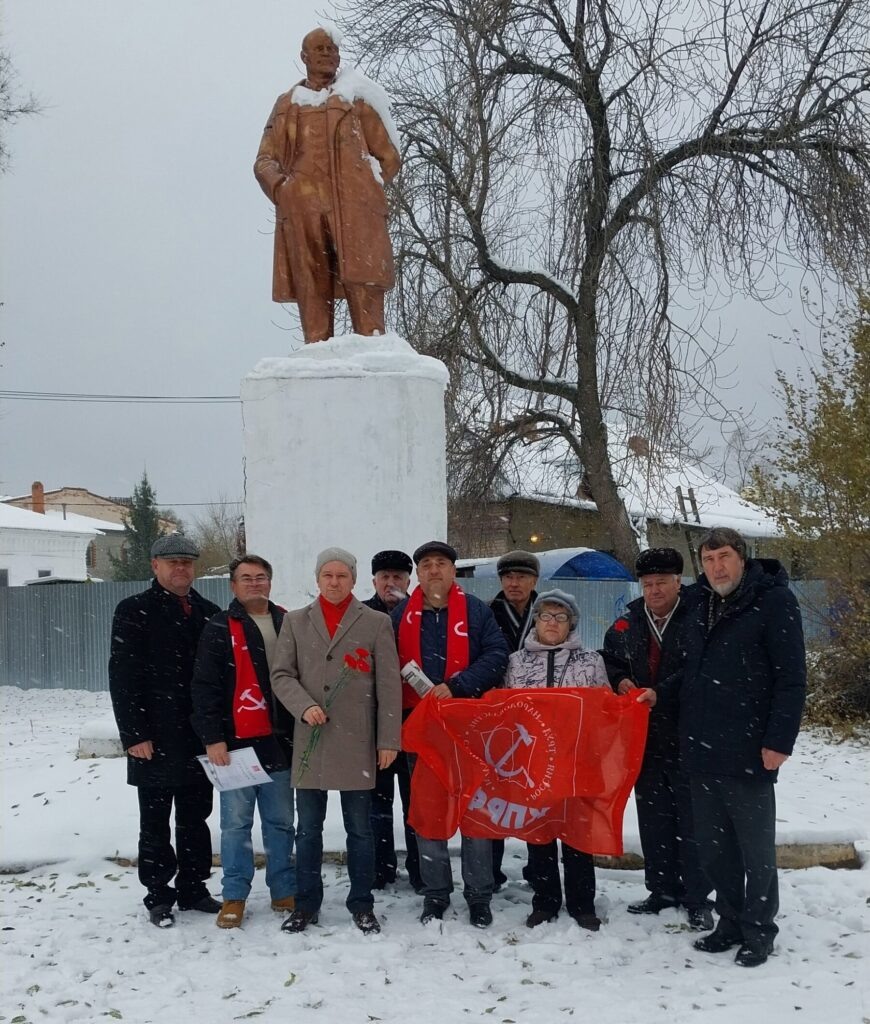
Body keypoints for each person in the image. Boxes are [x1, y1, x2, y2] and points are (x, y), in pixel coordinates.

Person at [679, 527, 806, 967]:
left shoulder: (773, 601)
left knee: (755, 850)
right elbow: (690, 670)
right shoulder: (700, 602)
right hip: (701, 747)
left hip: (750, 748)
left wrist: (778, 741)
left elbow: (791, 678)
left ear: (743, 559)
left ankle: (759, 930)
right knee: (715, 849)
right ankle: (729, 921)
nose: (717, 567)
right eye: (709, 559)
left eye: (725, 557)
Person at [271, 547, 402, 934]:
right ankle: (306, 904)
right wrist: (303, 705)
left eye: (342, 576)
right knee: (308, 829)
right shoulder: (295, 622)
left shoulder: (375, 622)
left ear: (354, 580)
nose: (334, 582)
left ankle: (362, 903)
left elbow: (388, 685)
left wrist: (388, 739)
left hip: (357, 742)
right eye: (327, 575)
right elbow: (281, 675)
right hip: (311, 739)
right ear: (317, 579)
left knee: (360, 830)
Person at [253, 27, 402, 343]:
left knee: (365, 283)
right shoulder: (286, 105)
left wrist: (365, 188)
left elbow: (389, 157)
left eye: (332, 49)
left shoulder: (357, 98)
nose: (327, 54)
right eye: (319, 49)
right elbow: (264, 160)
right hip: (304, 208)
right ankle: (317, 355)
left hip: (353, 208)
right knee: (312, 285)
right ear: (304, 57)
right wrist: (283, 189)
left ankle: (374, 350)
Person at [392, 540, 509, 927]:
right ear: (418, 575)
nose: (434, 570)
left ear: (453, 571)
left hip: (469, 725)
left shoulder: (476, 611)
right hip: (421, 729)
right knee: (428, 813)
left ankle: (479, 894)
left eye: (441, 563)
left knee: (474, 811)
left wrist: (458, 685)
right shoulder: (399, 616)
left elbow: (496, 656)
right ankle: (435, 892)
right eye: (425, 565)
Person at [108, 534, 221, 928]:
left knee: (196, 817)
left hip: (197, 737)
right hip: (152, 736)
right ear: (154, 566)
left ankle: (194, 887)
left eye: (187, 562)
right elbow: (123, 676)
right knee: (154, 821)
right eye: (171, 562)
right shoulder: (134, 610)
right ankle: (158, 894)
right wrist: (133, 734)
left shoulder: (209, 612)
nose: (180, 569)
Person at [600, 548, 712, 931]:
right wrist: (619, 680)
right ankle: (661, 888)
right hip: (644, 738)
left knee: (693, 820)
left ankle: (698, 896)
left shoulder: (699, 617)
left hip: (690, 733)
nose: (654, 590)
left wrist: (661, 692)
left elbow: (701, 670)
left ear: (678, 582)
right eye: (648, 584)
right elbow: (609, 659)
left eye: (662, 582)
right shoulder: (628, 621)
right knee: (653, 817)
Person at [190, 555, 296, 929]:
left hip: (280, 742)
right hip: (234, 746)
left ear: (270, 582)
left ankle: (284, 888)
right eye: (246, 578)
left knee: (281, 822)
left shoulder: (288, 621)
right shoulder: (219, 627)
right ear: (233, 585)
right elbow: (204, 689)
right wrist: (212, 738)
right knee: (236, 825)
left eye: (261, 577)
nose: (254, 583)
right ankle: (234, 896)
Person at [505, 590, 613, 930]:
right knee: (540, 834)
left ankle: (582, 904)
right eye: (546, 616)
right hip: (534, 763)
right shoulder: (516, 662)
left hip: (578, 761)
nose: (552, 623)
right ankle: (545, 901)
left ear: (572, 624)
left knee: (578, 835)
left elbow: (606, 708)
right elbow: (507, 710)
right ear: (535, 621)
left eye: (561, 617)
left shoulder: (591, 661)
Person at [363, 550, 422, 891]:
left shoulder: (420, 612)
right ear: (374, 581)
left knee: (415, 802)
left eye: (398, 576)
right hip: (373, 724)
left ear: (408, 581)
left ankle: (419, 869)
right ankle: (380, 867)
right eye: (384, 576)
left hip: (415, 721)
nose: (391, 583)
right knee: (377, 803)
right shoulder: (361, 613)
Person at [488, 550, 540, 888]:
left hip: (539, 718)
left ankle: (539, 869)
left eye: (521, 576)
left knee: (538, 795)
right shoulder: (487, 613)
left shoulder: (550, 612)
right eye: (508, 577)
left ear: (535, 580)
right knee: (494, 795)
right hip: (497, 716)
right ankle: (490, 869)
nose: (514, 582)